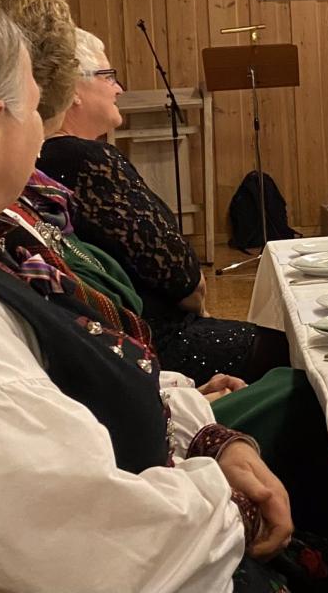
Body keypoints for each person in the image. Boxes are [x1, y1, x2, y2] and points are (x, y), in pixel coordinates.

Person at [0, 0, 291, 591]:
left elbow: (86, 364)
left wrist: (207, 438)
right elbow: (99, 554)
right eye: (36, 105)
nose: (45, 129)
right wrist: (233, 508)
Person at [37, 29, 290, 384]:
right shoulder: (87, 160)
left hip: (113, 340)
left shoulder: (44, 158)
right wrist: (195, 295)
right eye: (108, 76)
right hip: (153, 342)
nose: (118, 88)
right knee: (295, 351)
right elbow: (179, 277)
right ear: (73, 88)